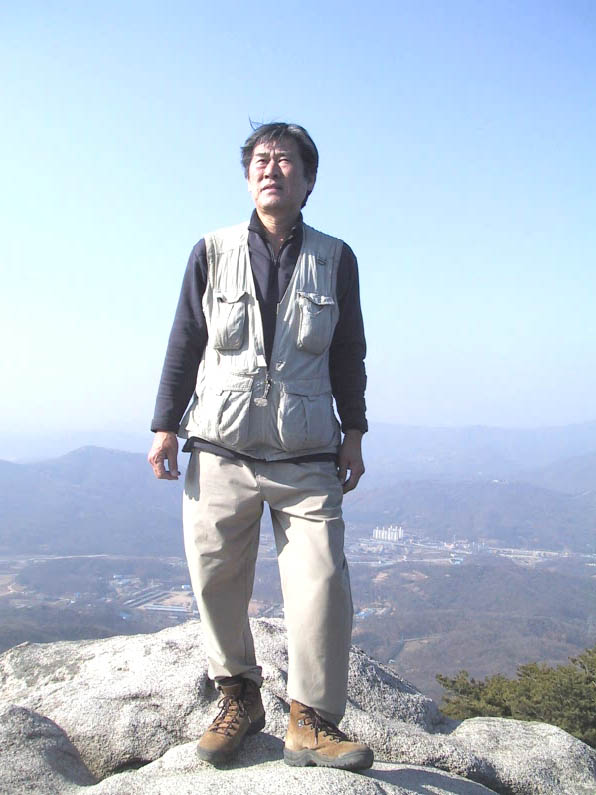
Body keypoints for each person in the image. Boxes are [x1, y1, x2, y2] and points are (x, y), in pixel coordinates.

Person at [148, 122, 372, 771]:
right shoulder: (211, 250)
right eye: (260, 160)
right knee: (214, 577)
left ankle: (312, 720)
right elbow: (185, 338)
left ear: (309, 179)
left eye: (285, 160)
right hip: (221, 447)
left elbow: (349, 350)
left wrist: (354, 431)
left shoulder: (336, 258)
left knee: (322, 582)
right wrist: (165, 425)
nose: (270, 169)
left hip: (307, 456)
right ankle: (239, 697)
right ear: (248, 178)